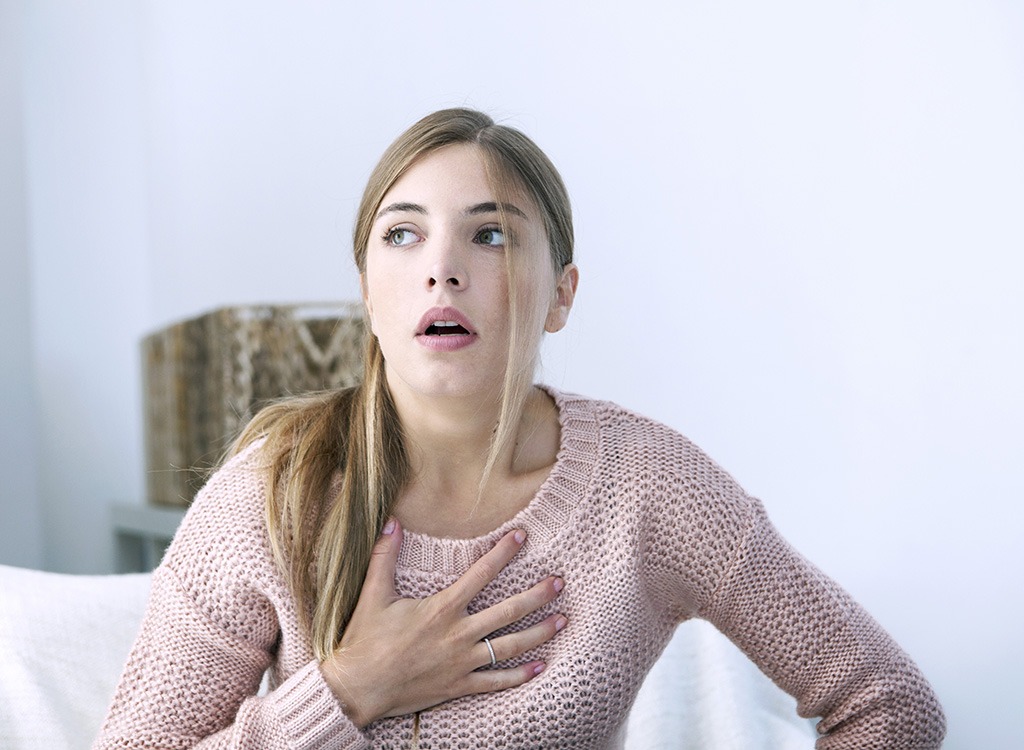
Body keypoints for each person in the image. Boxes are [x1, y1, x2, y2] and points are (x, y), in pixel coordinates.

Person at [94, 108, 946, 749]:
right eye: (403, 234)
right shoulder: (267, 495)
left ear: (562, 294)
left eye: (491, 234)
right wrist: (349, 690)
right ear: (367, 291)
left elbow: (888, 703)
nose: (442, 266)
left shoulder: (649, 486)